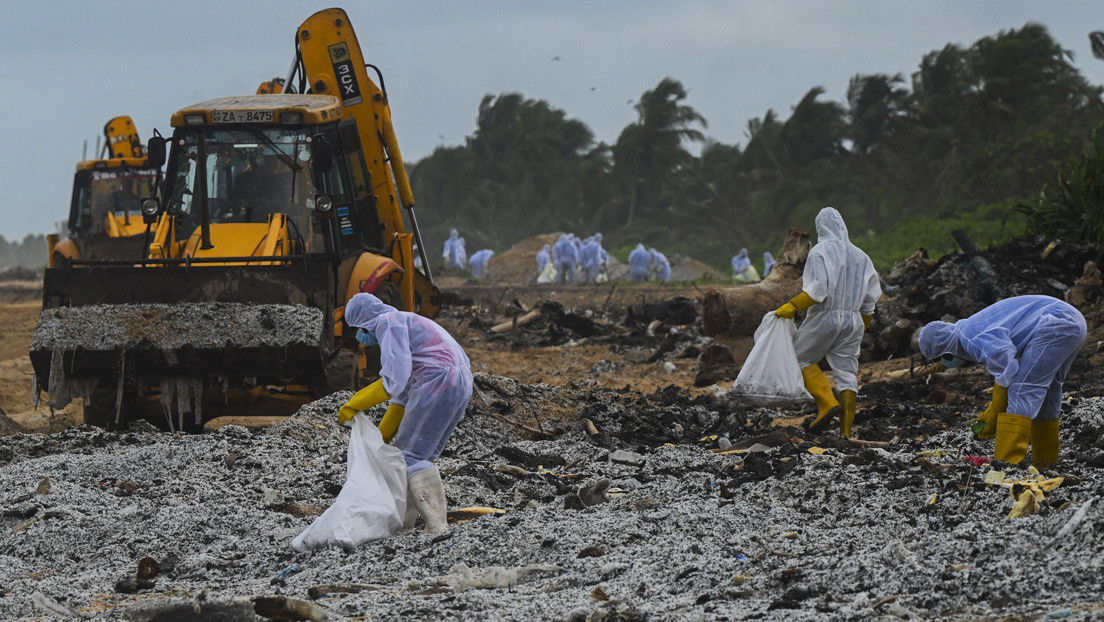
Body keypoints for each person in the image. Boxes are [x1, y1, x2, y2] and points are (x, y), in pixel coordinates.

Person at [337, 293, 474, 533]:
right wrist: (382, 438)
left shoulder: (388, 323)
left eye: (358, 329)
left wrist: (355, 403)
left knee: (409, 457)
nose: (360, 337)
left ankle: (436, 525)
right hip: (459, 382)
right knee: (420, 456)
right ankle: (406, 522)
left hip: (437, 382)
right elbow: (401, 398)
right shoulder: (406, 321)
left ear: (364, 321)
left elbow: (395, 380)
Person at [916, 295, 1086, 467]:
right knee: (1049, 388)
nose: (946, 363)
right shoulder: (970, 328)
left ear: (945, 352)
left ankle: (1006, 464)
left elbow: (1006, 366)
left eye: (942, 359)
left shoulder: (970, 337)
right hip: (1072, 321)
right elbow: (1014, 362)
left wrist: (996, 408)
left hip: (1057, 324)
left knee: (1022, 390)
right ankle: (1046, 462)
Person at [775, 207, 881, 438]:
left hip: (826, 315)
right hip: (854, 320)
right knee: (847, 373)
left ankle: (826, 404)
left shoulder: (820, 251)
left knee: (799, 358)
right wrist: (858, 329)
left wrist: (791, 307)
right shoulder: (862, 256)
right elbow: (870, 302)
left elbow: (816, 292)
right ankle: (845, 432)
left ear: (820, 227)